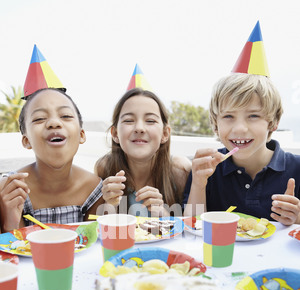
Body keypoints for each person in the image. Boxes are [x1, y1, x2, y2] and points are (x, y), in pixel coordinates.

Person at [182, 73, 300, 225]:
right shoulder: (207, 169)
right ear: (216, 125)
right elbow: (191, 226)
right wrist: (198, 184)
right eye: (229, 116)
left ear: (273, 122)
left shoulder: (296, 168)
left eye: (253, 116)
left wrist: (296, 218)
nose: (240, 129)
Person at [0, 88, 103, 232]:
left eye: (66, 116)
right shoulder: (10, 189)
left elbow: (93, 244)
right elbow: (12, 247)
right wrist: (10, 220)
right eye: (39, 118)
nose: (54, 123)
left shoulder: (95, 189)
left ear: (81, 135)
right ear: (26, 140)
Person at [94, 88, 191, 217]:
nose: (139, 128)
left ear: (165, 133)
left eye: (150, 121)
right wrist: (109, 204)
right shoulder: (104, 167)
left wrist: (162, 212)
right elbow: (102, 229)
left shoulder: (179, 169)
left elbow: (189, 232)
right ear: (115, 133)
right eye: (129, 120)